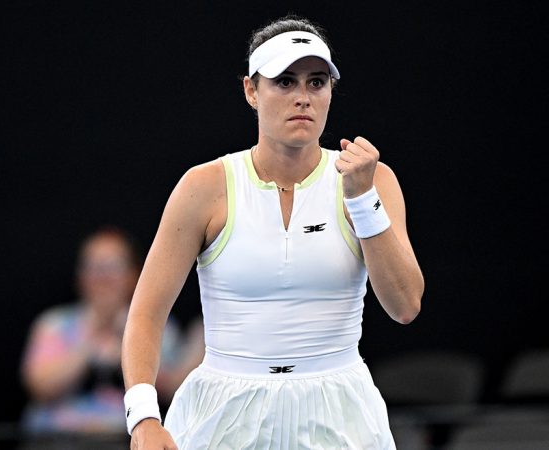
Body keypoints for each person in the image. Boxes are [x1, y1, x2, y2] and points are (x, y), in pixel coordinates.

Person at [122, 15, 424, 450]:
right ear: (251, 90)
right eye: (284, 82)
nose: (302, 97)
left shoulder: (373, 181)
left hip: (340, 414)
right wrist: (144, 417)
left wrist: (362, 200)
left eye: (316, 83)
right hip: (222, 413)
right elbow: (146, 314)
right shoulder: (203, 187)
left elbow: (405, 306)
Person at [21, 226, 204, 435]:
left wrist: (129, 347)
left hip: (125, 438)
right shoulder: (54, 324)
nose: (103, 278)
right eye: (94, 268)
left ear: (133, 275)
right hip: (58, 439)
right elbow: (40, 386)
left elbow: (172, 389)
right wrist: (91, 339)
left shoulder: (156, 325)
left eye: (113, 267)